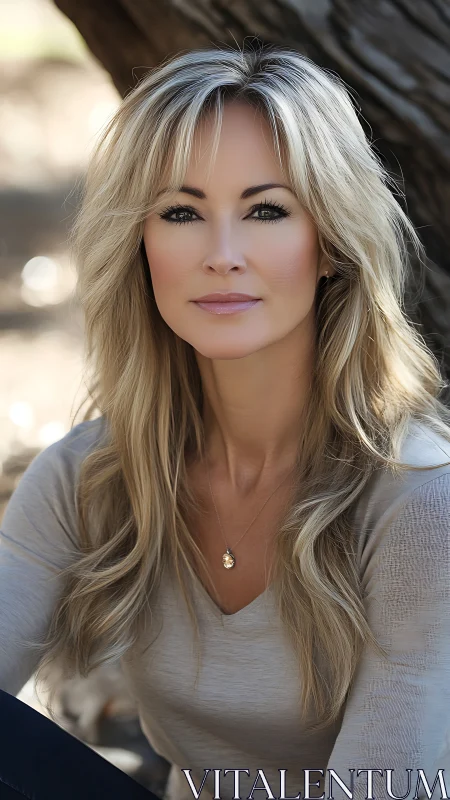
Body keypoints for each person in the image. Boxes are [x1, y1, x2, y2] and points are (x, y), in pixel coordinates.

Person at [1, 41, 450, 800]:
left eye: (266, 210)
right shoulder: (94, 473)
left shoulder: (420, 505)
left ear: (332, 244)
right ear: (141, 245)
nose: (223, 254)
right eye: (181, 212)